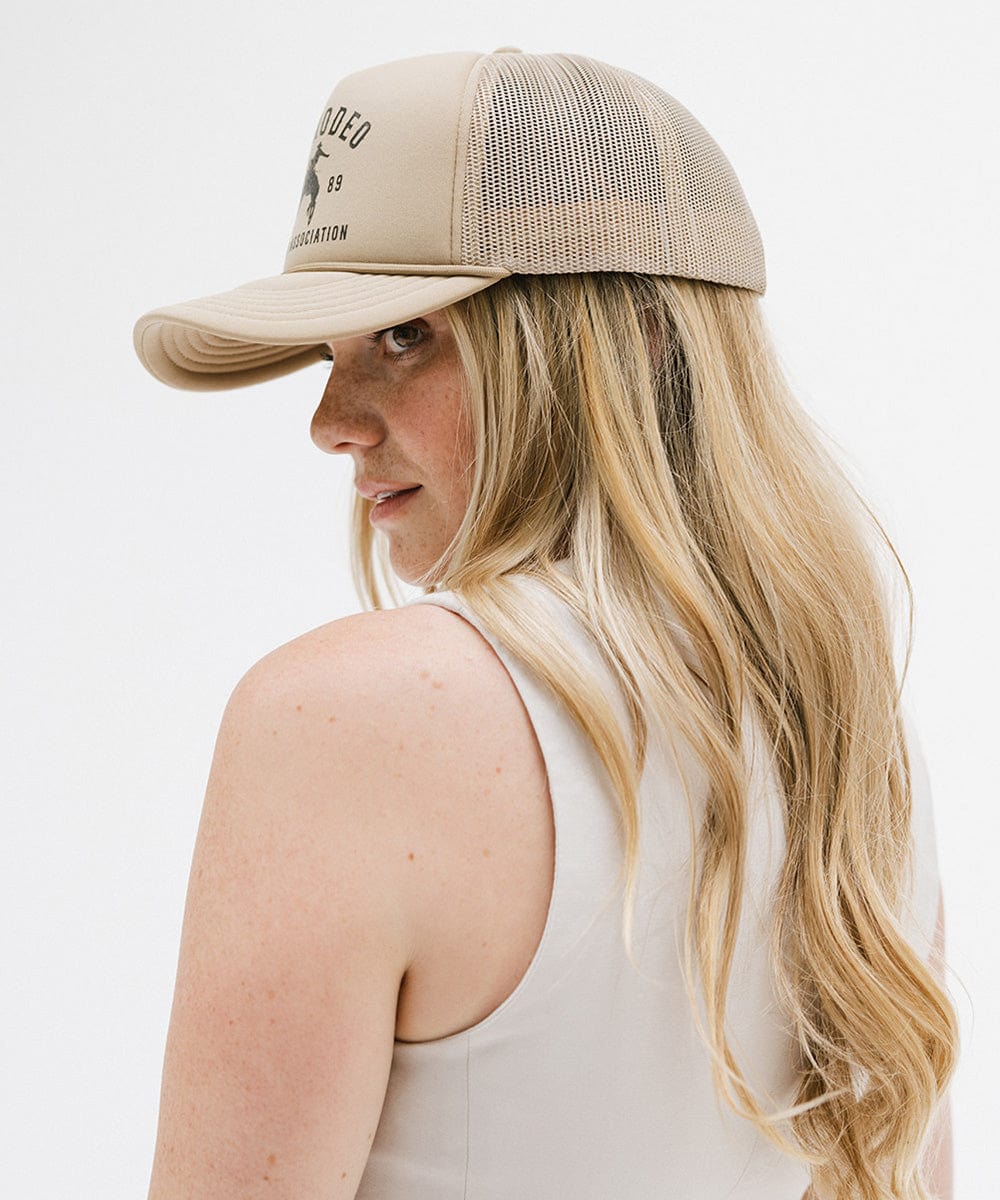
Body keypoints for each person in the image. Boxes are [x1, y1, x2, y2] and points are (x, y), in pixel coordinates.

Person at [133, 48, 958, 1200]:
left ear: (633, 342)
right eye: (331, 351)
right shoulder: (845, 736)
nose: (330, 421)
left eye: (405, 336)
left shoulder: (340, 718)